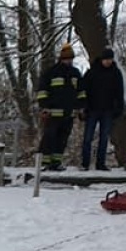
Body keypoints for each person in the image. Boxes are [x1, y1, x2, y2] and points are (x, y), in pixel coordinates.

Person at [35, 43, 84, 171]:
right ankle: (44, 162)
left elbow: (81, 92)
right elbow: (42, 91)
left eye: (70, 59)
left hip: (69, 113)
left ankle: (56, 162)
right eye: (66, 59)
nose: (69, 61)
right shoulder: (51, 72)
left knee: (62, 139)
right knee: (49, 137)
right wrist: (44, 107)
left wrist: (81, 107)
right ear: (61, 59)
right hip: (53, 113)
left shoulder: (75, 73)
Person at [79, 47, 126, 170]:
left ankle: (100, 164)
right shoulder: (92, 72)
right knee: (88, 138)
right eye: (106, 59)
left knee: (104, 138)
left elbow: (119, 92)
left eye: (110, 59)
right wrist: (83, 106)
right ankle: (85, 163)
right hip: (92, 108)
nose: (108, 62)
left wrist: (119, 108)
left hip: (108, 110)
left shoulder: (116, 73)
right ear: (102, 59)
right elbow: (83, 89)